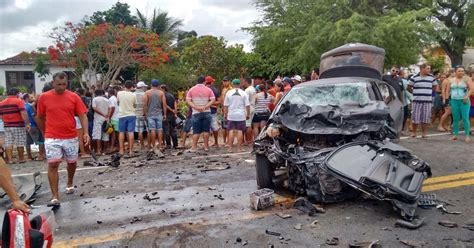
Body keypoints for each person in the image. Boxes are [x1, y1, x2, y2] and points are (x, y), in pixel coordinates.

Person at [37, 72, 89, 207]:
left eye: (64, 84)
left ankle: (70, 182)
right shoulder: (44, 97)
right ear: (53, 83)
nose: (61, 87)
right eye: (59, 84)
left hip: (71, 136)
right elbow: (40, 116)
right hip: (52, 137)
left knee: (72, 163)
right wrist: (45, 132)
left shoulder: (74, 97)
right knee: (53, 164)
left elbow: (83, 115)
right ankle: (55, 196)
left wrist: (85, 133)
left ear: (67, 83)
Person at [407, 64, 438, 139]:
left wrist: (428, 93)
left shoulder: (431, 77)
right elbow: (408, 87)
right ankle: (414, 132)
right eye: (428, 68)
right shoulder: (414, 77)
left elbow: (435, 86)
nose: (429, 70)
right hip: (416, 100)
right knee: (415, 117)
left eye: (429, 68)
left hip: (427, 101)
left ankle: (424, 133)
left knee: (426, 117)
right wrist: (415, 93)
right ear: (422, 69)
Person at [0, 88, 30, 164]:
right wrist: (27, 123)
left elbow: (1, 115)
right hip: (18, 125)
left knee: (8, 142)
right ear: (16, 94)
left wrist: (5, 120)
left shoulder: (2, 103)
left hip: (7, 125)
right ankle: (21, 158)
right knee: (20, 142)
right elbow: (23, 112)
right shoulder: (19, 101)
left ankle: (10, 159)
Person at [186, 76, 216, 152]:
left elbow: (188, 100)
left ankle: (194, 147)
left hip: (196, 113)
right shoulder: (208, 89)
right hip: (206, 112)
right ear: (204, 82)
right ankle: (206, 147)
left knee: (196, 131)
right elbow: (213, 99)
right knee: (206, 131)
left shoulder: (191, 89)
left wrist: (195, 107)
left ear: (197, 81)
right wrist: (206, 106)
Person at [445, 66, 473, 142]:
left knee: (465, 118)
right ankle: (455, 135)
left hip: (464, 101)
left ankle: (467, 136)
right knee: (455, 118)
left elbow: (471, 88)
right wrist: (447, 101)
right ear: (455, 72)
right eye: (459, 71)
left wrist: (466, 97)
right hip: (454, 101)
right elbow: (447, 91)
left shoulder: (467, 79)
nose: (461, 72)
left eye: (462, 71)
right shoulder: (451, 80)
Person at [224, 79, 250, 153]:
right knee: (240, 131)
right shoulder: (244, 93)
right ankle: (239, 148)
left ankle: (230, 148)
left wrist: (225, 115)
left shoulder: (228, 92)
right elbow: (247, 105)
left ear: (232, 84)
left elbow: (225, 105)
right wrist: (247, 114)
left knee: (231, 131)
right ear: (239, 84)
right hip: (241, 115)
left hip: (231, 114)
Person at [143, 79, 167, 151]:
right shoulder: (161, 93)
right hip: (159, 113)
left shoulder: (147, 93)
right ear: (158, 85)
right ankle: (160, 145)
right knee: (160, 129)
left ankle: (153, 146)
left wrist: (145, 113)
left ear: (151, 85)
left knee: (152, 130)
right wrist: (165, 114)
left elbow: (145, 104)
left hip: (150, 114)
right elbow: (164, 104)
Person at [117, 80, 137, 156]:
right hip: (131, 114)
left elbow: (118, 102)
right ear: (131, 87)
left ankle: (121, 150)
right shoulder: (133, 95)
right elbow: (135, 105)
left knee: (121, 132)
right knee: (131, 132)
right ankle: (131, 150)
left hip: (122, 115)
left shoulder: (119, 93)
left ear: (124, 86)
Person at [24, 94, 45, 161]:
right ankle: (41, 155)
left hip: (26, 126)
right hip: (33, 125)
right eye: (31, 97)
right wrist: (39, 125)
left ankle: (29, 156)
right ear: (27, 98)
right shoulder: (30, 106)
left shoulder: (23, 106)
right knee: (41, 140)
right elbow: (34, 116)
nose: (33, 98)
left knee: (28, 142)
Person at [91, 89, 112, 155]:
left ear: (95, 93)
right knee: (105, 134)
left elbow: (94, 108)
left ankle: (98, 150)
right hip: (106, 119)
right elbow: (110, 108)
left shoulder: (95, 99)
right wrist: (108, 115)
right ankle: (104, 151)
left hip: (98, 119)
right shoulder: (107, 99)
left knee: (97, 135)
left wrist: (102, 114)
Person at [161, 84, 178, 149]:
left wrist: (172, 110)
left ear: (163, 89)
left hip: (167, 114)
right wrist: (175, 111)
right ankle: (175, 144)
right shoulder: (171, 95)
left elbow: (165, 105)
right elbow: (175, 103)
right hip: (172, 115)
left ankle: (168, 145)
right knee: (173, 130)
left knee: (166, 131)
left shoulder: (163, 96)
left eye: (161, 89)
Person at [205, 76, 221, 147]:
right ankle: (216, 142)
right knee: (215, 128)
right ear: (211, 82)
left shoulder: (202, 90)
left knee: (205, 128)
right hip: (213, 112)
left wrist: (208, 104)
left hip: (204, 111)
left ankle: (206, 144)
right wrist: (212, 104)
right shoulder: (215, 90)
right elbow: (219, 101)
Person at [76, 88, 91, 157]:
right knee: (80, 137)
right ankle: (83, 152)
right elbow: (84, 113)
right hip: (78, 119)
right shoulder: (79, 102)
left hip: (72, 119)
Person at [241, 77, 256, 145]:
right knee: (248, 124)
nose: (242, 83)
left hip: (248, 108)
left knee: (247, 125)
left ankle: (248, 140)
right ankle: (249, 140)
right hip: (252, 107)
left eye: (243, 82)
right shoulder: (253, 88)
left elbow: (245, 101)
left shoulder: (247, 90)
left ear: (246, 82)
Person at [134, 81, 148, 149]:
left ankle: (142, 146)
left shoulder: (133, 94)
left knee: (140, 131)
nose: (145, 88)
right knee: (149, 130)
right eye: (145, 87)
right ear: (142, 87)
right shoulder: (145, 94)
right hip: (145, 114)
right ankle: (149, 144)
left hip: (136, 114)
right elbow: (147, 104)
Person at [220, 77, 233, 145]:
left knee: (228, 126)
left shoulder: (231, 89)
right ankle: (224, 141)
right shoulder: (223, 89)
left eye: (226, 81)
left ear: (229, 82)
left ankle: (229, 141)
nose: (225, 82)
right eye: (224, 81)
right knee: (224, 127)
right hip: (223, 109)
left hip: (229, 110)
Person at [107, 88, 119, 152]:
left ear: (109, 93)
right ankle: (117, 146)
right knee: (117, 133)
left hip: (114, 118)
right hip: (118, 117)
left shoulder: (111, 99)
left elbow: (113, 108)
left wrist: (109, 117)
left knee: (113, 133)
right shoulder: (116, 98)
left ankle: (112, 146)